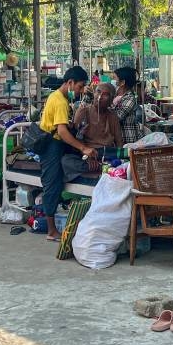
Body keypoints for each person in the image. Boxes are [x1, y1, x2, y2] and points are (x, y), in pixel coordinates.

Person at [38, 66, 97, 241]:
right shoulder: (60, 101)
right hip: (52, 146)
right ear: (70, 83)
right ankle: (51, 230)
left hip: (57, 144)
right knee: (52, 184)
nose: (80, 91)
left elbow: (66, 128)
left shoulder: (59, 97)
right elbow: (62, 132)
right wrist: (83, 148)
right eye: (79, 87)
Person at [73, 82, 122, 161]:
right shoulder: (84, 112)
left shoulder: (112, 115)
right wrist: (87, 154)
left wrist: (120, 158)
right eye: (98, 92)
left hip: (109, 152)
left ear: (111, 99)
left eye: (105, 94)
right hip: (90, 152)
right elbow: (78, 138)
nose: (100, 96)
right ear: (94, 93)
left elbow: (119, 140)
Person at [111, 66, 144, 145]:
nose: (113, 81)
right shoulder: (115, 94)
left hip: (127, 138)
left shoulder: (130, 98)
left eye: (115, 78)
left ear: (122, 82)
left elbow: (117, 117)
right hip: (116, 138)